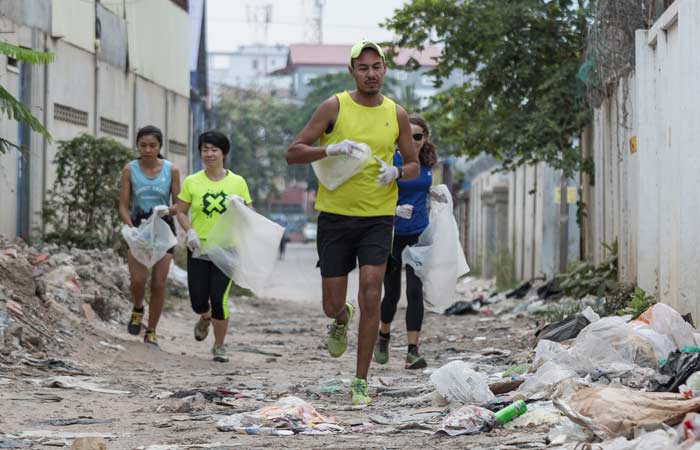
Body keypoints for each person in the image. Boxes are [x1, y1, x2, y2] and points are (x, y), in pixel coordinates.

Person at [286, 39, 419, 405]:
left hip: (377, 216)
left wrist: (395, 172)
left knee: (373, 288)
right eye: (363, 68)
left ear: (385, 70)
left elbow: (413, 164)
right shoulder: (334, 105)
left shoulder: (397, 113)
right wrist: (329, 148)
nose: (371, 73)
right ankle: (341, 317)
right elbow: (293, 152)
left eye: (376, 66)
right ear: (352, 72)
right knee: (332, 301)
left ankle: (360, 380)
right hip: (335, 216)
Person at [374, 115, 444, 370]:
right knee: (391, 293)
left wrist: (432, 192)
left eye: (418, 136)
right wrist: (393, 210)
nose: (413, 141)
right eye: (408, 136)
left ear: (425, 138)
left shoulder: (426, 163)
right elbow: (373, 195)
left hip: (419, 234)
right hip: (392, 233)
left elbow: (421, 186)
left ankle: (412, 351)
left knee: (415, 291)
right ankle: (383, 336)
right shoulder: (390, 162)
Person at [176, 131, 252, 363]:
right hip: (199, 247)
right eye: (205, 149)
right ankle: (204, 316)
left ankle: (219, 346)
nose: (209, 154)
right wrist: (189, 231)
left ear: (224, 153)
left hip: (227, 249)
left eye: (214, 149)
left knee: (219, 298)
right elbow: (180, 211)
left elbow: (250, 214)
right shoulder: (192, 181)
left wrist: (240, 207)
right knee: (198, 300)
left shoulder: (237, 182)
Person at [119, 125, 181, 348]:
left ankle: (152, 331)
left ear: (160, 147)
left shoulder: (171, 170)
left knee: (158, 283)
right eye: (143, 145)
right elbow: (123, 206)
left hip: (164, 229)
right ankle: (137, 306)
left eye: (152, 145)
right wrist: (130, 227)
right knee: (138, 280)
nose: (147, 149)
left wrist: (168, 210)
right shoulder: (130, 169)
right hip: (139, 227)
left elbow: (179, 204)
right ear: (137, 146)